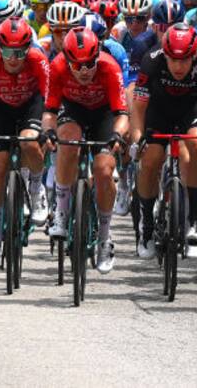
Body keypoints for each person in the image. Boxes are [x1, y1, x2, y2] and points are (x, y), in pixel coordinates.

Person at [43, 27, 128, 275]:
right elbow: (49, 111)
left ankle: (104, 237)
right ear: (67, 59)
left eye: (89, 64)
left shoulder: (110, 67)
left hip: (103, 115)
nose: (83, 71)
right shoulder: (57, 66)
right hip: (73, 110)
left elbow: (122, 115)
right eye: (76, 65)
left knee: (103, 170)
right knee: (67, 143)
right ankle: (61, 212)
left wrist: (117, 136)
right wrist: (49, 131)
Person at [132, 24, 197, 261]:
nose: (179, 66)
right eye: (173, 60)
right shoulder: (151, 60)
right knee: (151, 158)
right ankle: (146, 227)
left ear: (194, 56)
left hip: (193, 108)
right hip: (159, 110)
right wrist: (138, 138)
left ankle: (195, 222)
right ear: (165, 54)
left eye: (185, 60)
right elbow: (138, 108)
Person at [0, 17, 49, 268]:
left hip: (31, 106)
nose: (13, 58)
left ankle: (37, 192)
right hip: (1, 108)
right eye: (7, 51)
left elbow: (51, 102)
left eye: (19, 52)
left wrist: (48, 130)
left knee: (29, 142)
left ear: (28, 48)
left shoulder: (38, 59)